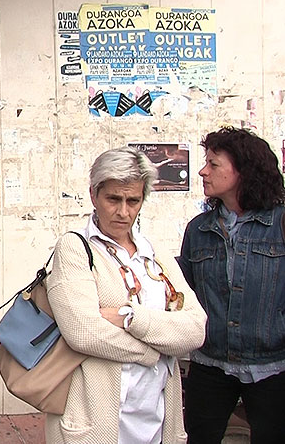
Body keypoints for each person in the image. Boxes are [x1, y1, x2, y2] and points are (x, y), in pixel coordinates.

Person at [45, 147, 206, 443]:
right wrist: (157, 351)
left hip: (156, 415)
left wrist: (129, 318)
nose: (123, 212)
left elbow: (196, 328)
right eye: (113, 199)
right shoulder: (76, 248)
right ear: (94, 195)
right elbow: (83, 332)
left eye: (133, 201)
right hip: (96, 420)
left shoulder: (154, 254)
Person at [178, 127, 285, 444]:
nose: (203, 171)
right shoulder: (199, 230)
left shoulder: (279, 224)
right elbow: (187, 295)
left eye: (213, 164)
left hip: (272, 367)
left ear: (243, 171)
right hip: (210, 364)